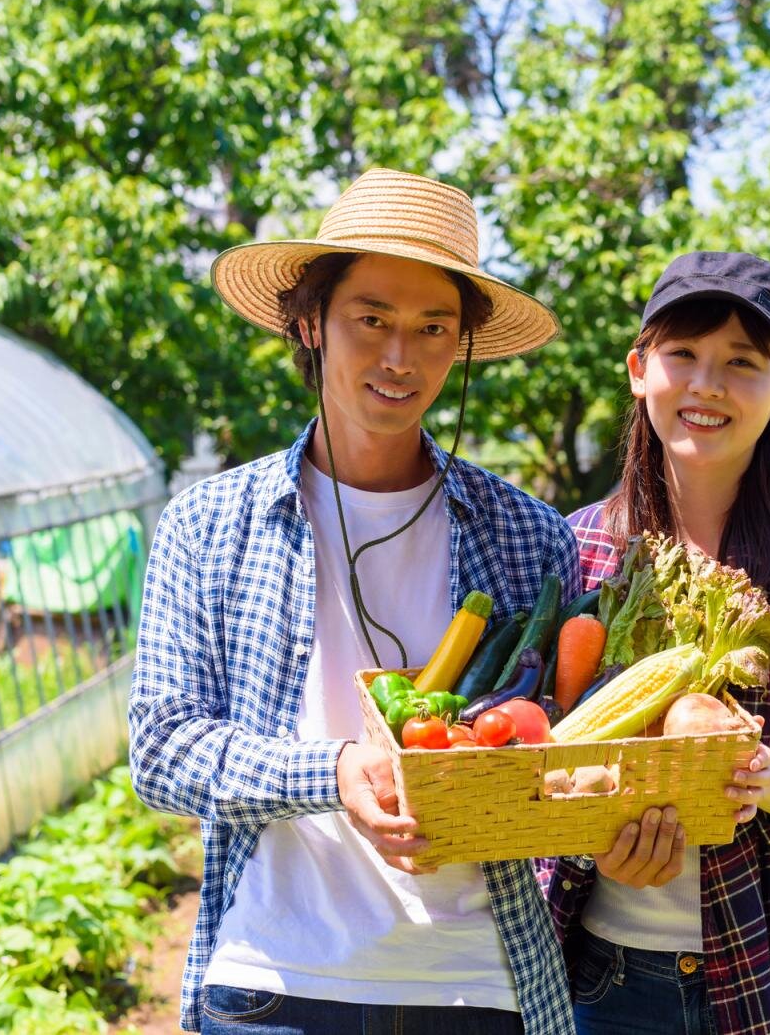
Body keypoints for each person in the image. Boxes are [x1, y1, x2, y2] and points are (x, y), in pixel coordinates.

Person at [128, 168, 582, 1035]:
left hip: (477, 986)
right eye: (371, 319)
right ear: (311, 323)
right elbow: (161, 749)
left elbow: (561, 753)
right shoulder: (212, 523)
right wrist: (334, 773)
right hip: (275, 979)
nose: (400, 358)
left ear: (463, 346)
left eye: (433, 328)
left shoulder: (530, 537)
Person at [542, 252, 770, 1034]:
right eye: (684, 356)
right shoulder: (573, 555)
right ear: (639, 370)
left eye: (742, 364)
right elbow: (533, 762)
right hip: (606, 982)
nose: (707, 385)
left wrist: (766, 783)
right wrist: (593, 842)